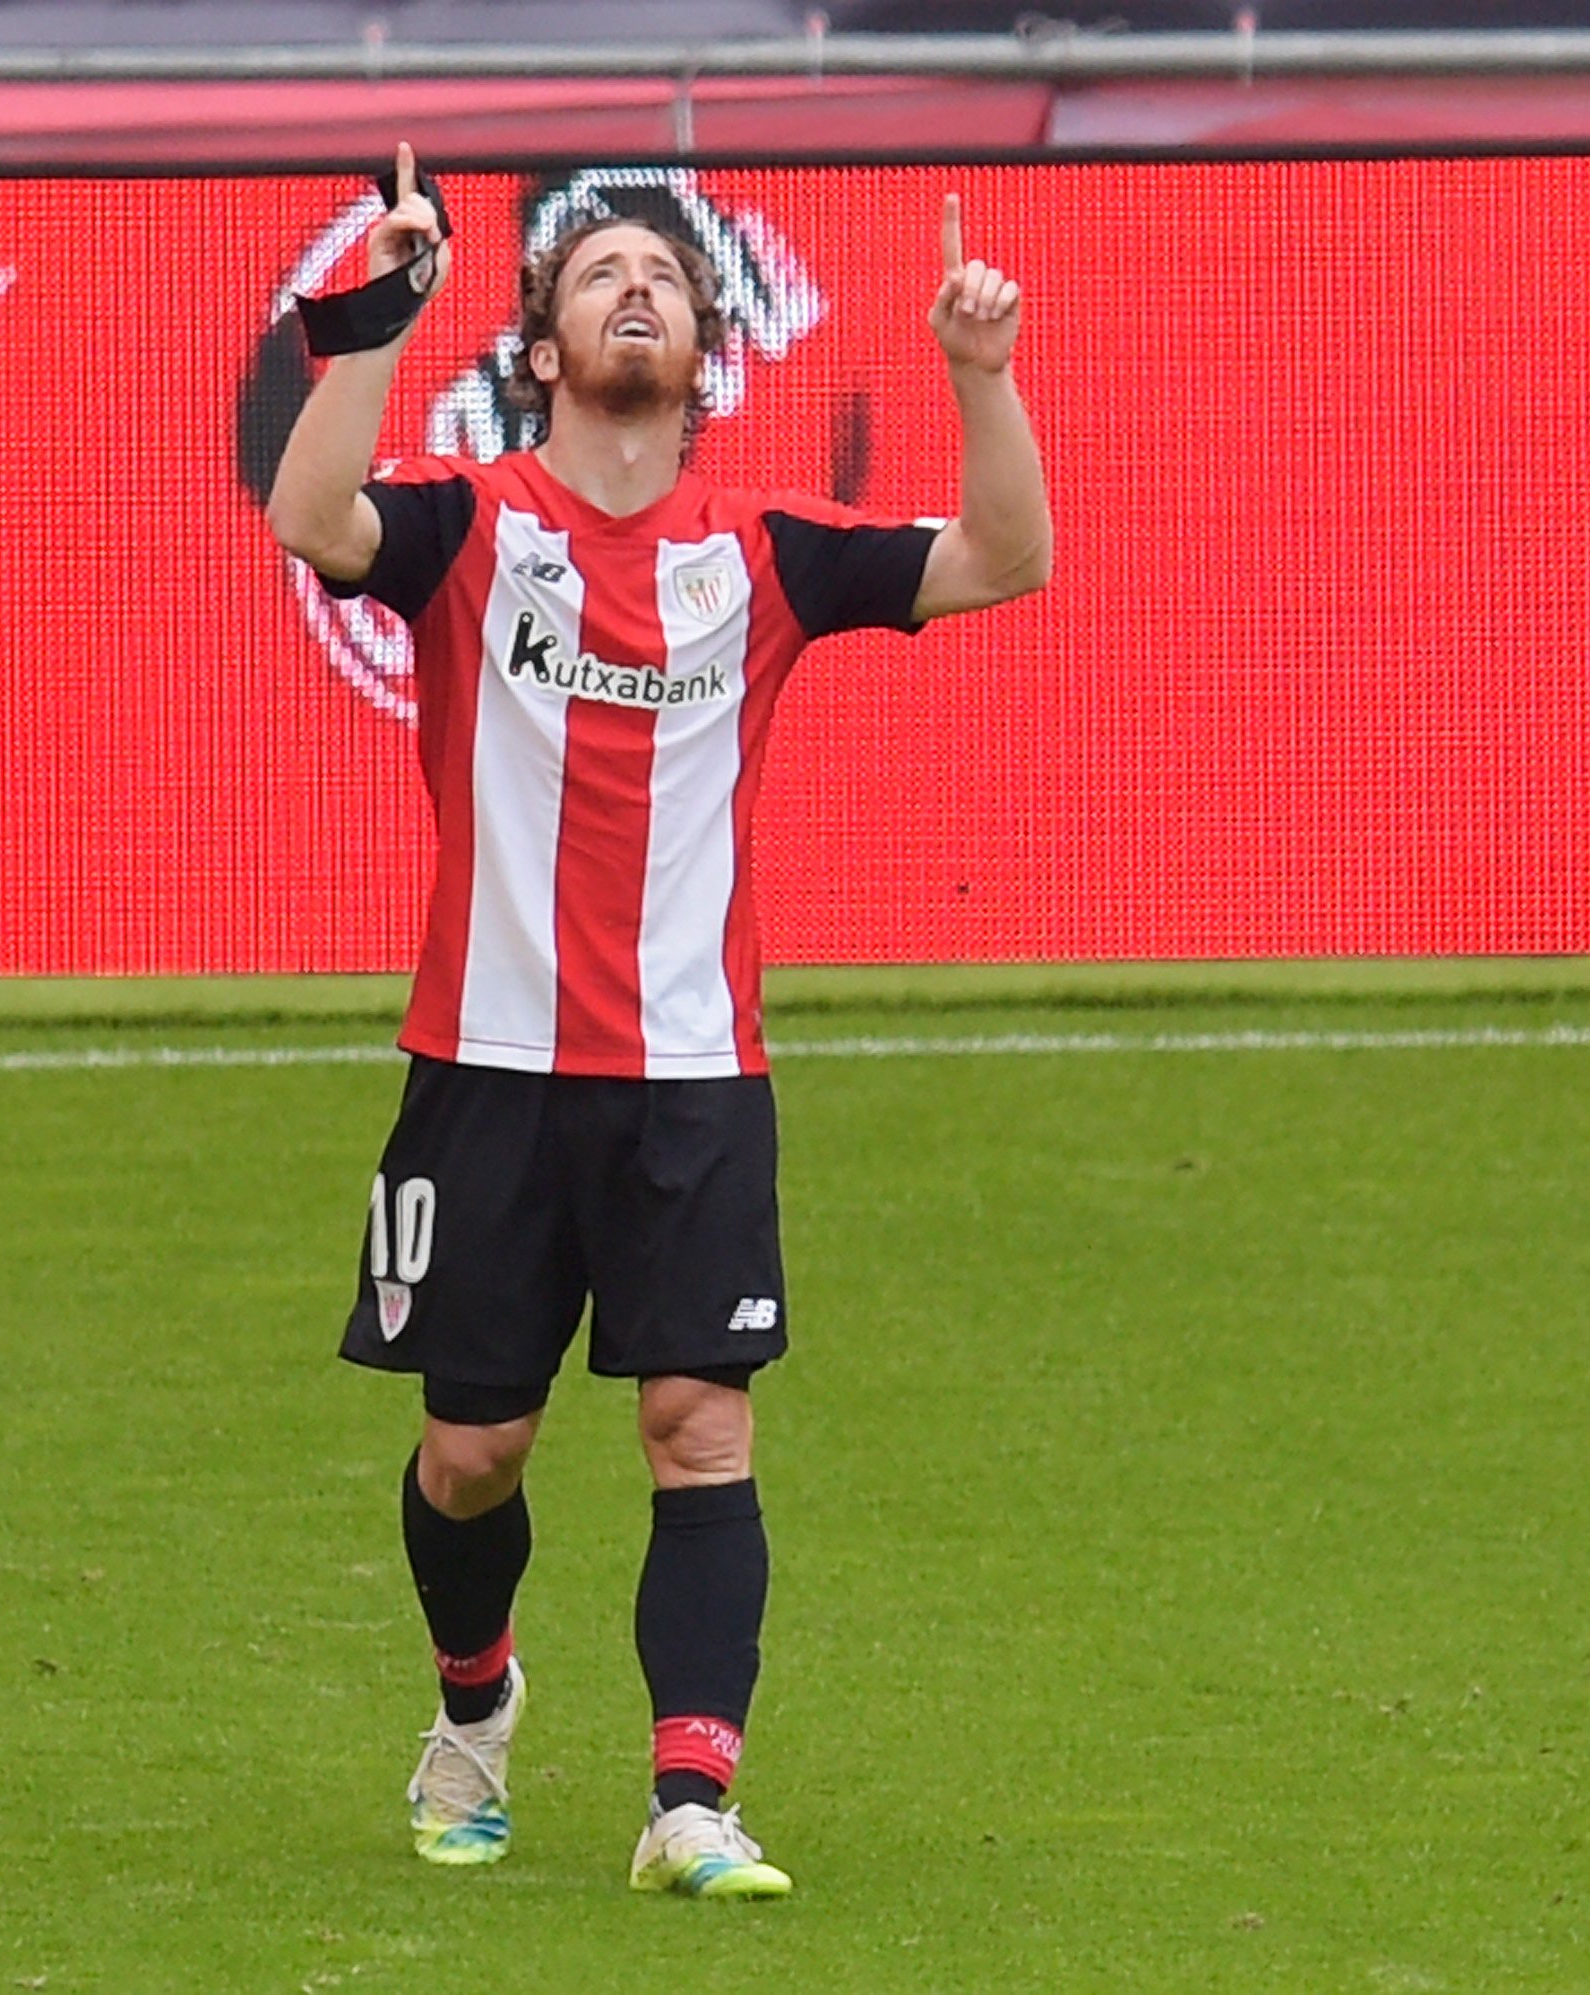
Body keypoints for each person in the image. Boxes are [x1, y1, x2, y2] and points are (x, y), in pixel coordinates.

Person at [263, 143, 1053, 1899]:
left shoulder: (762, 559)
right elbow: (311, 520)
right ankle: (476, 1706)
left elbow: (1008, 557)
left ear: (705, 355)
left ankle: (691, 1800)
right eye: (601, 274)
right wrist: (381, 315)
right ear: (540, 347)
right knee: (472, 1456)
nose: (640, 290)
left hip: (697, 1083)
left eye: (669, 281)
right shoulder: (469, 529)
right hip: (485, 1071)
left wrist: (978, 376)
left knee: (699, 1427)